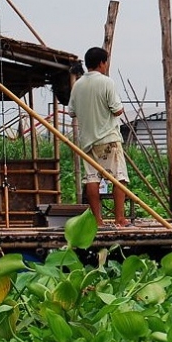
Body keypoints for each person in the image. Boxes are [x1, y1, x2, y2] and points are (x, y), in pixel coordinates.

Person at [68, 47, 130, 228]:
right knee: (119, 178)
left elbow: (72, 112)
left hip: (87, 141)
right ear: (102, 63)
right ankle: (119, 219)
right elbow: (117, 109)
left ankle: (98, 220)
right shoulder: (106, 82)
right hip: (108, 138)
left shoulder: (78, 85)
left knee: (92, 179)